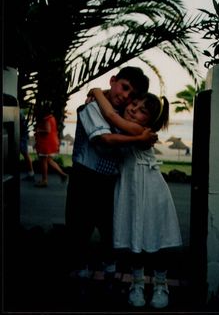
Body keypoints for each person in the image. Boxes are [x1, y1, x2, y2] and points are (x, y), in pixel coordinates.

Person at [88, 88, 182, 309]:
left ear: (149, 122)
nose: (133, 109)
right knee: (135, 238)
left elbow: (111, 116)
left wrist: (96, 92)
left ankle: (161, 284)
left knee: (156, 239)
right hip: (130, 190)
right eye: (135, 104)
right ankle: (137, 283)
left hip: (149, 190)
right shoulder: (129, 127)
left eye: (142, 111)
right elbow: (111, 118)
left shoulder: (140, 131)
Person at [65, 66, 155, 288]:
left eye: (132, 95)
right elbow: (103, 139)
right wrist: (139, 138)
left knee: (110, 230)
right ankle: (80, 275)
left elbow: (129, 126)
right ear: (113, 80)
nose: (125, 96)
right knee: (79, 229)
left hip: (110, 181)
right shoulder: (90, 108)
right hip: (84, 178)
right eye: (124, 88)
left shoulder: (123, 115)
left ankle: (109, 274)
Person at [34, 105, 68, 187]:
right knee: (49, 160)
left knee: (44, 161)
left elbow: (47, 130)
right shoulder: (52, 118)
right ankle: (63, 174)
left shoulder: (47, 119)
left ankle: (44, 180)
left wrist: (38, 130)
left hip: (46, 143)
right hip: (51, 142)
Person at [20, 109, 35, 181]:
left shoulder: (19, 112)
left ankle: (31, 173)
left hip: (21, 135)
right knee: (25, 154)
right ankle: (30, 173)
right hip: (22, 134)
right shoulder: (20, 112)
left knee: (25, 153)